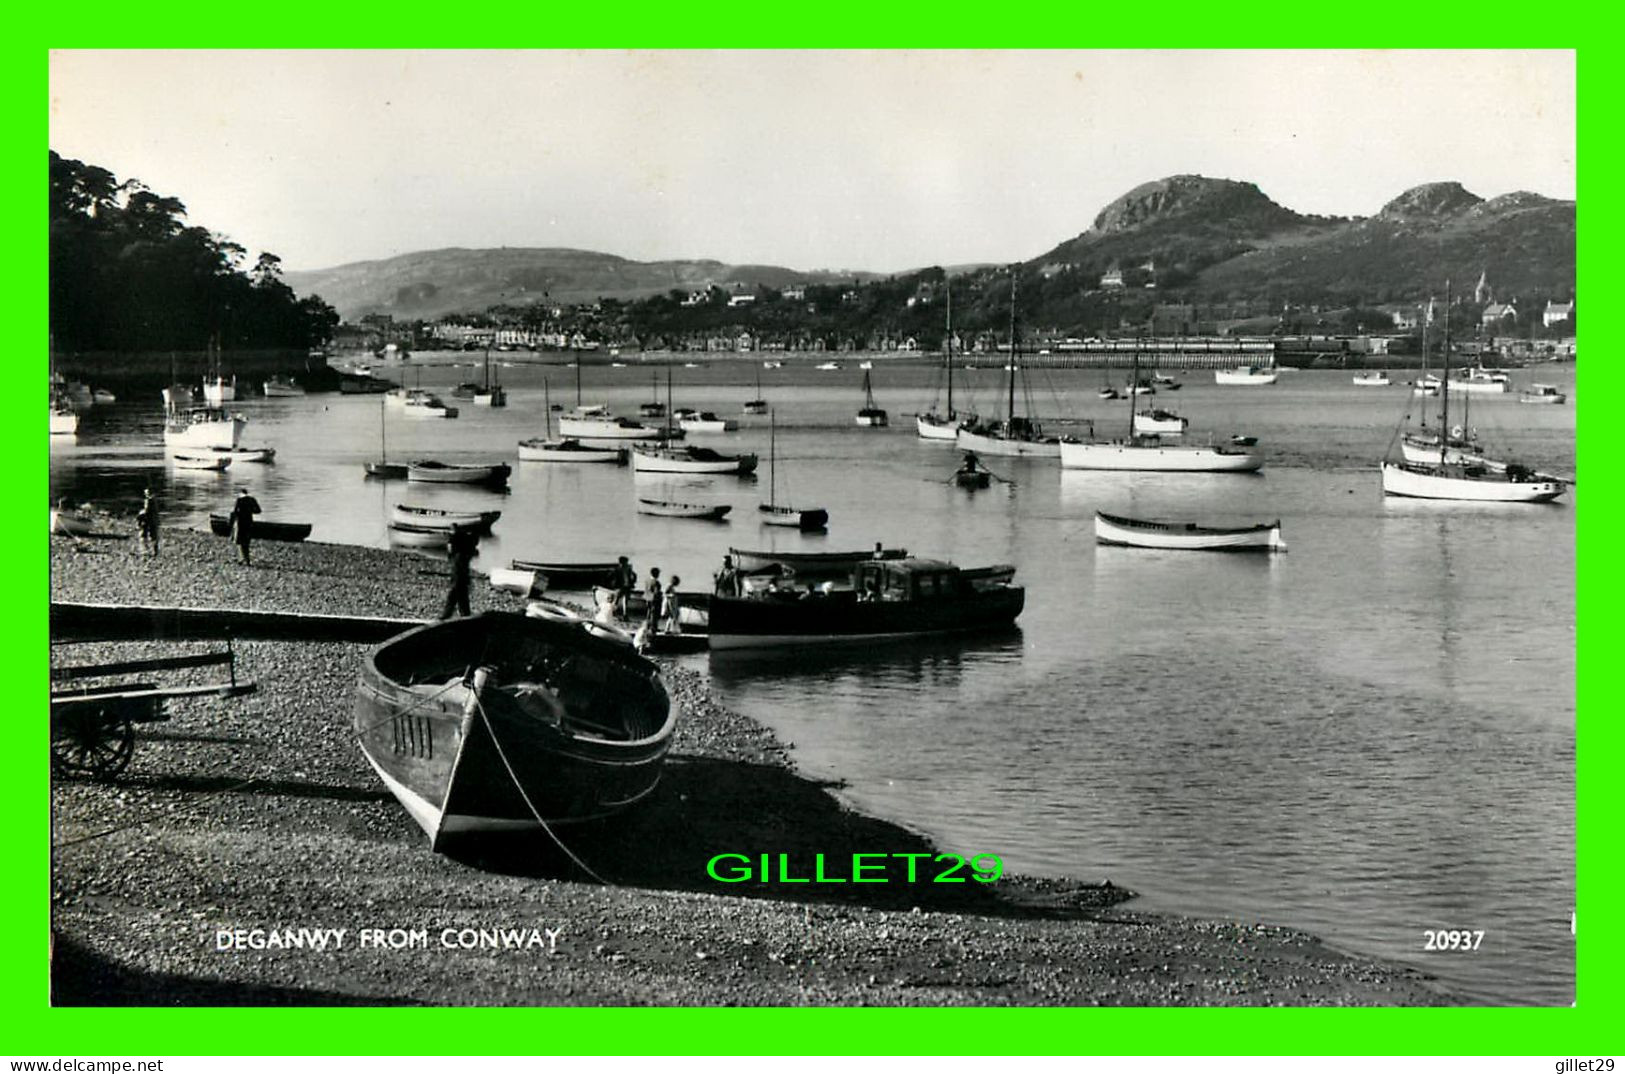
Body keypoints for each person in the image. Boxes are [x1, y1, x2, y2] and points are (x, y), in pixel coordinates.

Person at [440, 524, 479, 620]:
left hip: (459, 573)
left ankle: (447, 616)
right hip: (462, 573)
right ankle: (464, 615)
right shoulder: (466, 546)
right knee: (461, 595)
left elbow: (450, 550)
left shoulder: (457, 545)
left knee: (455, 594)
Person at [227, 486, 262, 565]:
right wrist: (249, 511)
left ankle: (243, 559)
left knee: (240, 541)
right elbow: (258, 511)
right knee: (246, 541)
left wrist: (231, 522)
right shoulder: (252, 499)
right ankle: (246, 559)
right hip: (249, 522)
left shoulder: (239, 500)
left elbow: (235, 512)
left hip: (240, 522)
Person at [137, 487, 160, 556]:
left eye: (147, 493)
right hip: (154, 520)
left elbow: (146, 511)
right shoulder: (154, 500)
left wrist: (140, 515)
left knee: (144, 536)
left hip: (148, 520)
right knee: (154, 536)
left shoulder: (148, 500)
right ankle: (155, 551)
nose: (146, 494)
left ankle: (145, 550)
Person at [643, 566, 665, 634]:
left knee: (649, 613)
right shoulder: (656, 582)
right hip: (654, 600)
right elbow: (656, 592)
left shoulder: (647, 580)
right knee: (654, 614)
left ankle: (647, 626)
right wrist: (661, 595)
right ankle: (653, 627)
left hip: (647, 598)